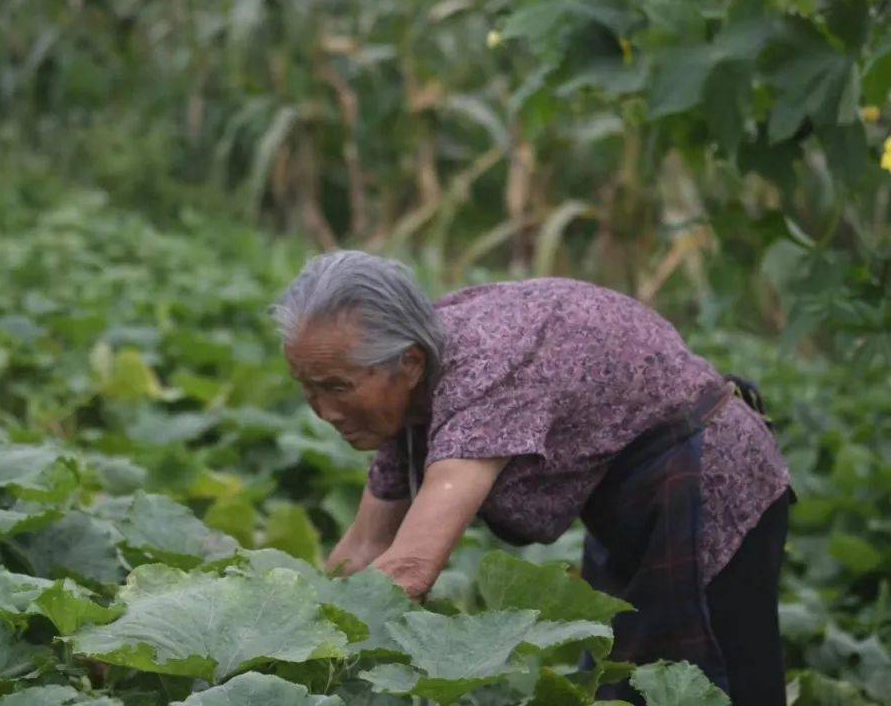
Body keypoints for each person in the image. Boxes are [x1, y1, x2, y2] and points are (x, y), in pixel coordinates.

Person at [271, 250, 793, 706]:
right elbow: (364, 546)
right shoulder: (412, 386)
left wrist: (309, 651)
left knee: (720, 683)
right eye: (307, 387)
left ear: (407, 364)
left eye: (336, 387)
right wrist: (277, 644)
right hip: (630, 497)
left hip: (712, 479)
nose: (322, 410)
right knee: (621, 679)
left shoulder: (484, 371)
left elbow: (410, 568)